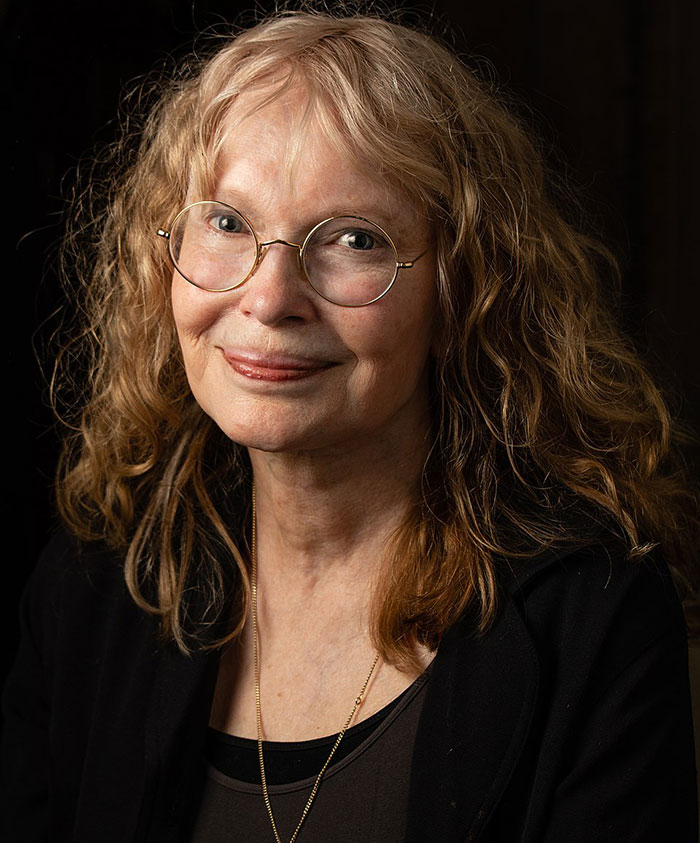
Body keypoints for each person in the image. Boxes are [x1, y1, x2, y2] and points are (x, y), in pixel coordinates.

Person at [2, 8, 698, 842]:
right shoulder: (90, 592)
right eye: (228, 223)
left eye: (354, 238)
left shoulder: (595, 621)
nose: (268, 298)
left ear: (462, 293)